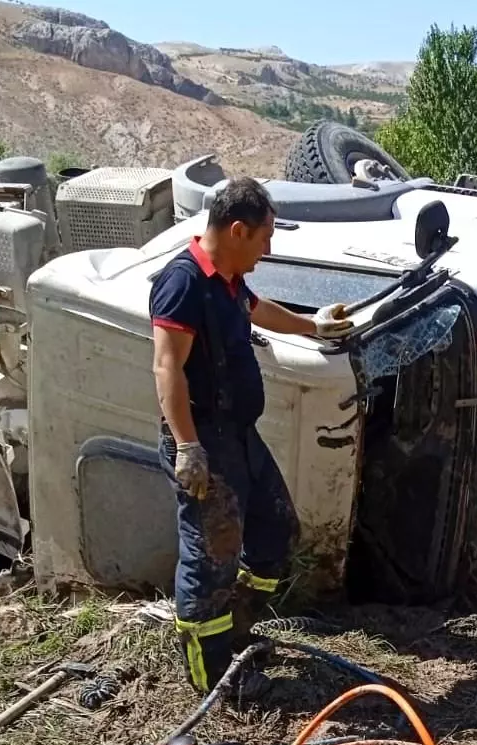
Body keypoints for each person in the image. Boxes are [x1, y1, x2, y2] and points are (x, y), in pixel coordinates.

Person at [150, 177, 354, 702]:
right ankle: (212, 675)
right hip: (205, 443)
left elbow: (257, 311)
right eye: (264, 238)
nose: (268, 250)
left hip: (240, 436)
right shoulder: (183, 282)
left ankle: (236, 625)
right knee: (209, 557)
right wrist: (187, 447)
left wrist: (313, 327)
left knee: (276, 533)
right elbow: (167, 366)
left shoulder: (229, 280)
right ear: (237, 230)